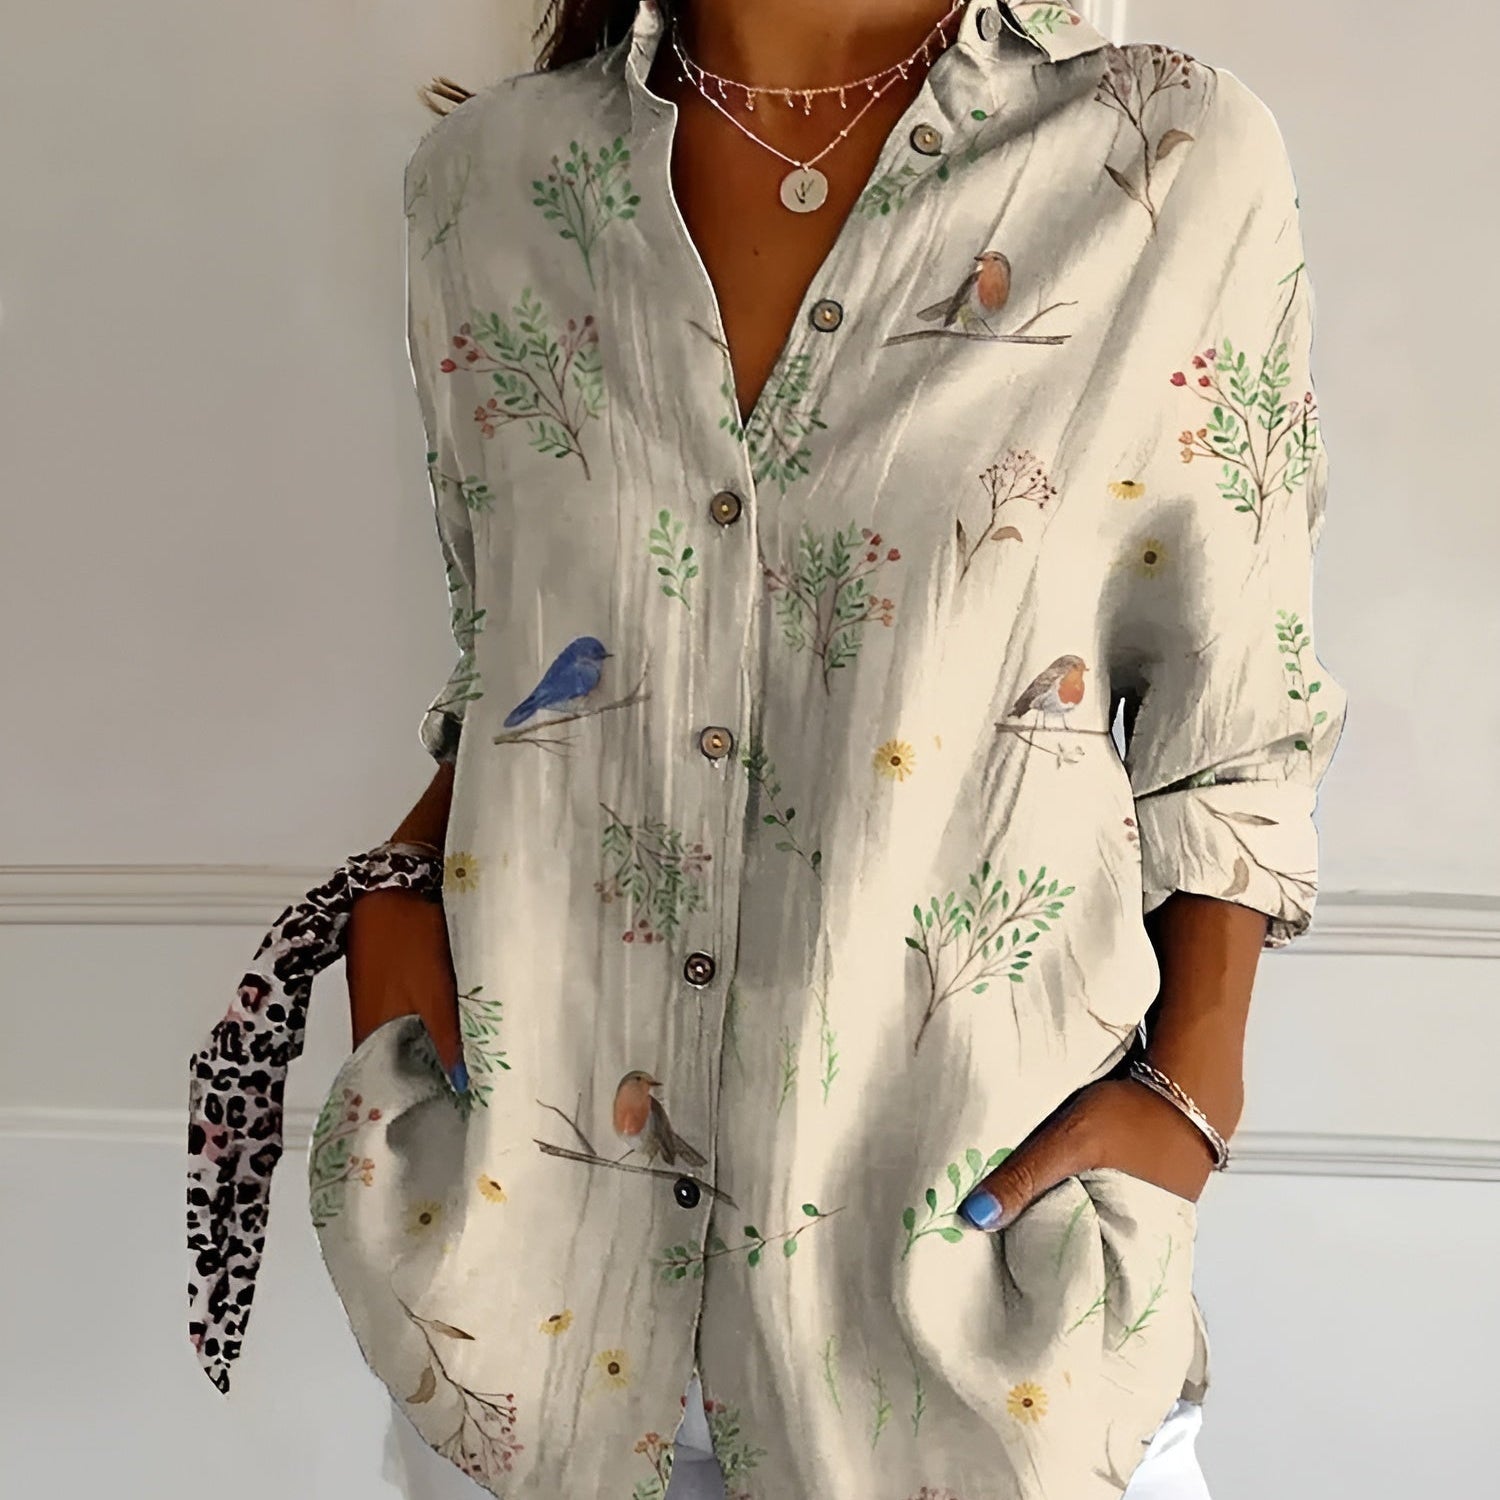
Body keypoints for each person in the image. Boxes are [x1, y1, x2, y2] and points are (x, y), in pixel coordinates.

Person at [332, 2, 1349, 1496]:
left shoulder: (1163, 158)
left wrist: (1191, 1100)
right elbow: (516, 663)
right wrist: (392, 921)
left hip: (965, 1335)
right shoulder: (486, 188)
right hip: (526, 1322)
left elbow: (1234, 714)